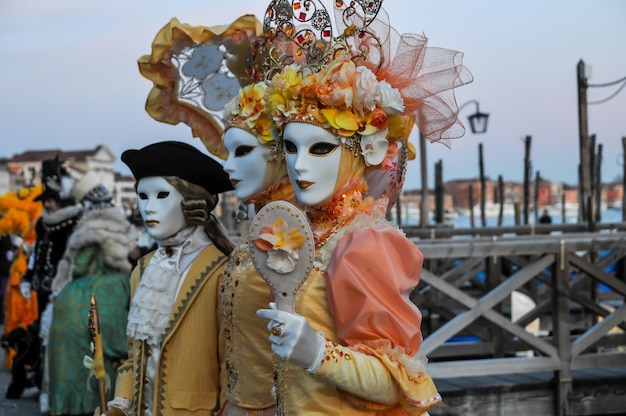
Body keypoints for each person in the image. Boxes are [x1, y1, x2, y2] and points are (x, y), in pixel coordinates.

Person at [254, 2, 472, 414]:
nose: (300, 165)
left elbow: (396, 383)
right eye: (290, 147)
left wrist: (318, 353)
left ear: (363, 151)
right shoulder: (303, 232)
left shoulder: (365, 243)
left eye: (320, 149)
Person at [99, 141, 234, 416]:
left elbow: (231, 364)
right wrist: (120, 403)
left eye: (161, 195)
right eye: (143, 196)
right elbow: (134, 354)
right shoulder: (144, 268)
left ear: (192, 201)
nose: (149, 207)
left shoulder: (223, 271)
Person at [216, 81, 295, 415]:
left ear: (279, 151)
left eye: (243, 151)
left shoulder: (308, 234)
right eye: (228, 153)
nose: (227, 167)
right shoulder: (259, 227)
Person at [46, 172, 137, 416]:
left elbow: (81, 265)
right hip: (107, 296)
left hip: (79, 303)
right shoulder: (122, 228)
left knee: (80, 360)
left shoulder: (87, 231)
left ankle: (76, 406)